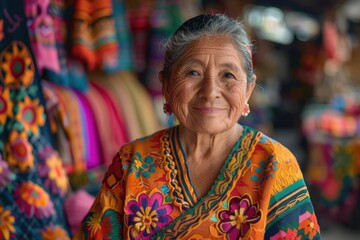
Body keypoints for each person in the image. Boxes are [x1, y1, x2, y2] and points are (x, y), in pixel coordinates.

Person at [74, 14, 320, 239]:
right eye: (193, 72)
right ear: (166, 86)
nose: (210, 92)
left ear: (248, 90)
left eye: (228, 75)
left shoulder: (275, 165)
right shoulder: (132, 162)